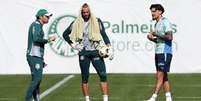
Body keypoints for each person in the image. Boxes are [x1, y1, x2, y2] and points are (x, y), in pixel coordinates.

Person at [63, 3, 113, 101]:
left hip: (95, 50)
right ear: (81, 13)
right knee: (85, 77)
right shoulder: (76, 22)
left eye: (87, 12)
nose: (85, 14)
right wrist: (73, 44)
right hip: (83, 52)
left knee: (103, 74)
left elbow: (104, 34)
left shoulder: (97, 21)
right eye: (84, 12)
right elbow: (65, 34)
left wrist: (109, 47)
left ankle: (105, 98)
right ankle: (87, 99)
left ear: (90, 11)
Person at [25, 9, 56, 101]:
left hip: (36, 56)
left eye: (49, 16)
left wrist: (42, 59)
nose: (48, 18)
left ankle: (36, 99)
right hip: (33, 56)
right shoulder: (36, 25)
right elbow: (35, 39)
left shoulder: (38, 25)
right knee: (37, 79)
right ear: (40, 17)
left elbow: (37, 44)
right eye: (47, 16)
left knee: (36, 80)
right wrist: (48, 40)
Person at [147, 4, 173, 101]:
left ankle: (153, 97)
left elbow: (169, 37)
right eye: (151, 11)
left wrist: (155, 33)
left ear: (160, 12)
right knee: (163, 75)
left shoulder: (165, 22)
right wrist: (152, 39)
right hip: (158, 52)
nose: (152, 13)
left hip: (165, 51)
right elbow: (159, 40)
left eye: (154, 11)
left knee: (160, 75)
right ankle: (168, 98)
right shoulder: (156, 23)